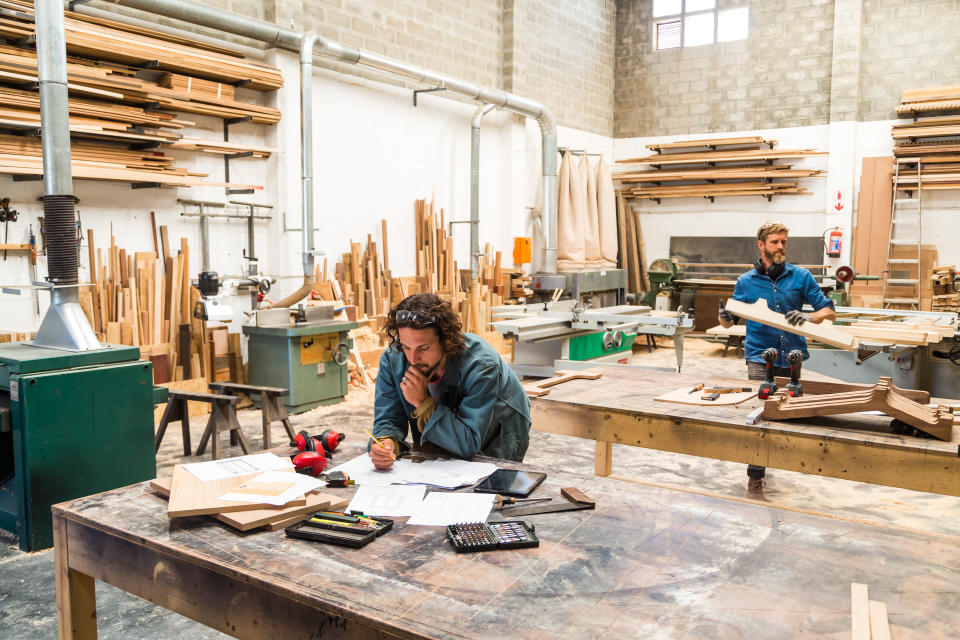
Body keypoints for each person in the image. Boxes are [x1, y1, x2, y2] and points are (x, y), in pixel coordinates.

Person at [718, 221, 836, 496]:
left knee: (789, 412)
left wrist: (809, 316)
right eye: (775, 242)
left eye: (784, 241)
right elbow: (728, 322)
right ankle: (756, 473)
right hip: (760, 355)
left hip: (792, 356)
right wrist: (724, 317)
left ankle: (784, 458)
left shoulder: (801, 277)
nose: (781, 246)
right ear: (762, 246)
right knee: (761, 413)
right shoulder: (746, 281)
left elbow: (829, 311)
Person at [369, 292, 531, 470]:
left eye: (424, 348)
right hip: (454, 431)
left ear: (446, 341)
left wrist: (422, 403)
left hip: (500, 427)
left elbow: (469, 442)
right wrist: (386, 443)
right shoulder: (393, 358)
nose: (413, 359)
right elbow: (388, 420)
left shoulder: (482, 366)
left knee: (486, 479)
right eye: (406, 347)